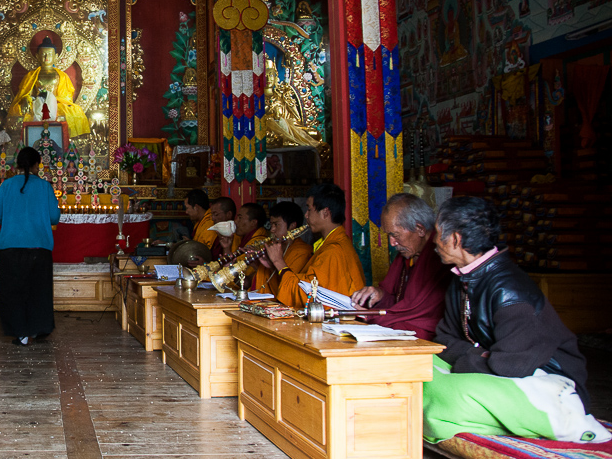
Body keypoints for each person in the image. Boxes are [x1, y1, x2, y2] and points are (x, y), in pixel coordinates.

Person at [423, 197, 606, 443]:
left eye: (437, 233)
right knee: (419, 367)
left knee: (448, 394)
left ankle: (552, 422)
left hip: (546, 385)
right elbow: (444, 339)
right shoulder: (462, 280)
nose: (434, 241)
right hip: (492, 373)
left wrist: (467, 359)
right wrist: (480, 354)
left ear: (455, 239)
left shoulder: (511, 290)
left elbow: (510, 367)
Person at [350, 193, 450, 339]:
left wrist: (372, 318)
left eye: (395, 235)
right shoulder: (408, 254)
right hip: (399, 327)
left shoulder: (440, 258)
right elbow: (397, 300)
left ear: (420, 229)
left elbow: (425, 319)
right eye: (389, 235)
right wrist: (380, 295)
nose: (392, 243)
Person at [0, 147, 60, 345]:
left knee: (13, 291)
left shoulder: (6, 186)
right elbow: (54, 217)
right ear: (36, 164)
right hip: (39, 247)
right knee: (39, 291)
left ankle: (20, 333)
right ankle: (39, 330)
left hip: (11, 247)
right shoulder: (45, 187)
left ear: (17, 165)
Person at [260, 183, 364, 308]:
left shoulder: (334, 250)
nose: (306, 215)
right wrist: (273, 266)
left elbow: (309, 296)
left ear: (325, 213)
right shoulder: (331, 243)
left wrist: (278, 261)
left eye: (309, 209)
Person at [7, 30, 91, 137]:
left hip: (57, 104)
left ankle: (66, 138)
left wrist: (54, 102)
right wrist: (25, 100)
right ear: (37, 56)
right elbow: (26, 93)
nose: (46, 57)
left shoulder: (62, 75)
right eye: (43, 54)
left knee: (75, 111)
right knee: (20, 111)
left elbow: (66, 96)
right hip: (37, 104)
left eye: (50, 54)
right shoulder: (32, 75)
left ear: (56, 56)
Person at [256, 201, 312, 295]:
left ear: (292, 226)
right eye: (271, 225)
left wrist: (275, 262)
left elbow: (289, 288)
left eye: (276, 225)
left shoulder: (302, 252)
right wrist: (255, 264)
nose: (272, 229)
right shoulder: (272, 247)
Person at [217, 202, 269, 288]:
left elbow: (242, 278)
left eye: (240, 218)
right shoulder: (243, 238)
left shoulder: (258, 243)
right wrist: (226, 248)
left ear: (253, 222)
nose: (236, 221)